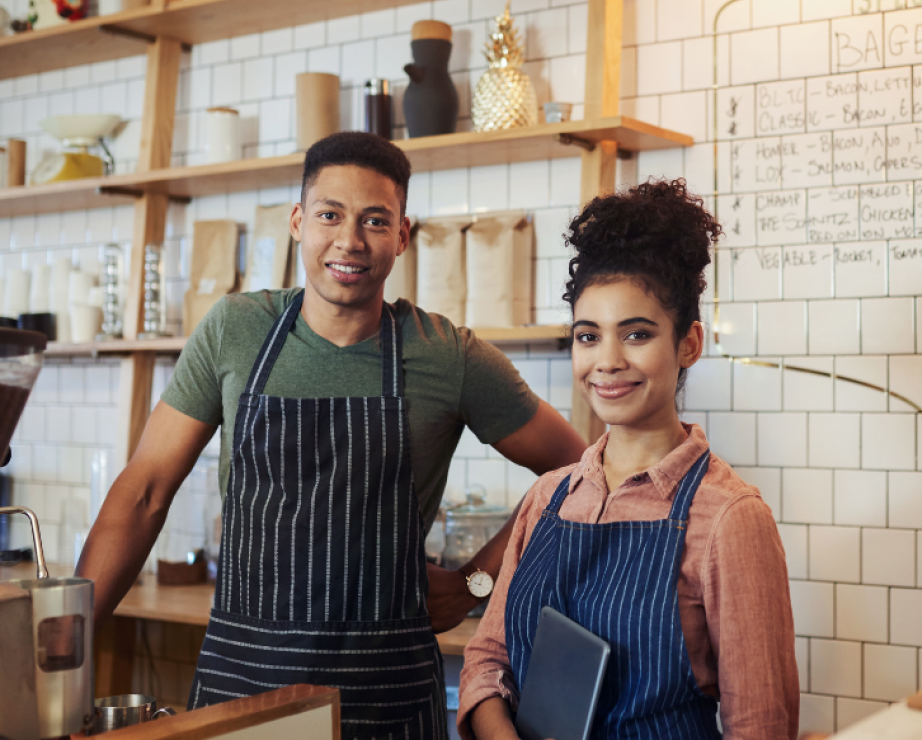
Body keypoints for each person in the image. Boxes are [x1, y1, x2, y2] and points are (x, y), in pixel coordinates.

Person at [77, 132, 588, 739]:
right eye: (329, 215)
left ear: (402, 235)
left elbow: (578, 469)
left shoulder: (447, 355)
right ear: (298, 221)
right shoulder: (235, 331)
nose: (349, 241)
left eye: (375, 220)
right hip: (242, 691)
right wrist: (61, 648)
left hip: (385, 700)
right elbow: (143, 493)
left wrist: (477, 582)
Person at [459, 180, 800, 740]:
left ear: (688, 343)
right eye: (588, 337)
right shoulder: (548, 498)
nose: (608, 361)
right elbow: (487, 660)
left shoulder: (729, 518)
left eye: (636, 334)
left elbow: (760, 726)